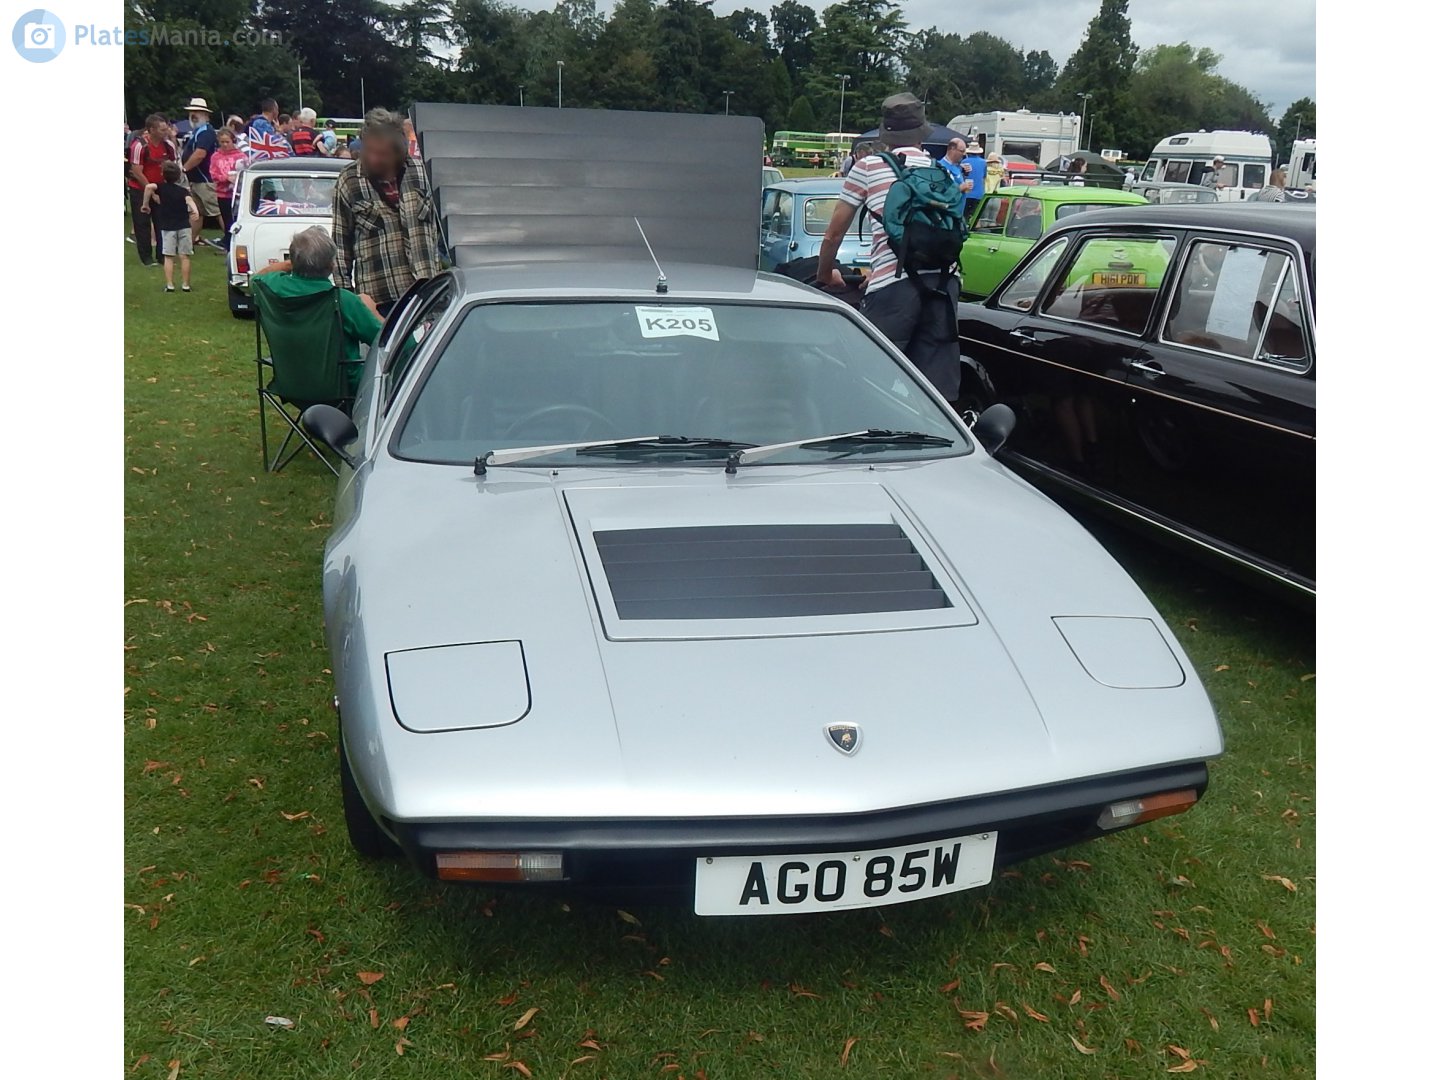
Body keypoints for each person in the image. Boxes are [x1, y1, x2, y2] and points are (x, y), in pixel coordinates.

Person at [815, 92, 964, 403]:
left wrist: (826, 273)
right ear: (922, 131)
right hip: (944, 284)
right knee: (933, 396)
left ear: (886, 133)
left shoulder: (868, 167)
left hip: (893, 287)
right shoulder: (940, 170)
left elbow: (833, 234)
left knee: (875, 385)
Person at [332, 108, 443, 316]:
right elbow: (340, 248)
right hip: (378, 302)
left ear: (398, 151)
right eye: (369, 151)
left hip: (426, 295)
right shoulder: (349, 181)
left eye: (381, 154)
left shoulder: (422, 173)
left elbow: (441, 232)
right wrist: (346, 303)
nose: (373, 159)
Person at [253, 226, 385, 392]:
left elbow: (257, 277)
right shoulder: (344, 301)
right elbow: (393, 342)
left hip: (291, 386)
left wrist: (293, 263)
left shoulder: (270, 287)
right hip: (343, 390)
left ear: (292, 261)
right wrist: (372, 311)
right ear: (331, 265)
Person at [127, 113, 176, 267]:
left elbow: (172, 166)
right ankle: (146, 258)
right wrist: (150, 191)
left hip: (161, 187)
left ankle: (163, 256)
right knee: (142, 224)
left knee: (163, 223)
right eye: (162, 129)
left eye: (166, 128)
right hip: (140, 189)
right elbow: (136, 171)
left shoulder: (168, 145)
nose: (166, 131)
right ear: (151, 130)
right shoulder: (139, 145)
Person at [142, 160, 199, 293]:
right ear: (179, 176)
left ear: (162, 174)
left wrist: (145, 204)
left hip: (168, 227)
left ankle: (170, 285)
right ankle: (185, 285)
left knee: (168, 256)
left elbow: (148, 187)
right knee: (185, 256)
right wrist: (195, 210)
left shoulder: (161, 188)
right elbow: (189, 200)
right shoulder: (183, 191)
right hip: (184, 225)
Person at [180, 96, 221, 249]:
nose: (193, 115)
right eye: (192, 112)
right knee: (197, 212)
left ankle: (230, 241)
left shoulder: (206, 132)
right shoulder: (198, 131)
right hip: (197, 179)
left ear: (205, 115)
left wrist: (184, 169)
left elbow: (200, 154)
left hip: (205, 179)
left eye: (197, 112)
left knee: (217, 211)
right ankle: (189, 243)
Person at [209, 127, 247, 248]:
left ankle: (237, 243)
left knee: (237, 219)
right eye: (222, 142)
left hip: (237, 194)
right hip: (222, 193)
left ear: (233, 141)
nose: (225, 145)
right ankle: (228, 245)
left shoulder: (241, 156)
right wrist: (225, 178)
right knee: (227, 220)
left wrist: (237, 178)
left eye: (227, 142)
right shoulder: (216, 156)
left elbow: (246, 172)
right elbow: (213, 173)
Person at [962, 141, 987, 214]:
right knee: (975, 217)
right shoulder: (983, 162)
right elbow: (984, 177)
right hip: (979, 194)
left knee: (964, 215)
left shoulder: (964, 162)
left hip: (966, 193)